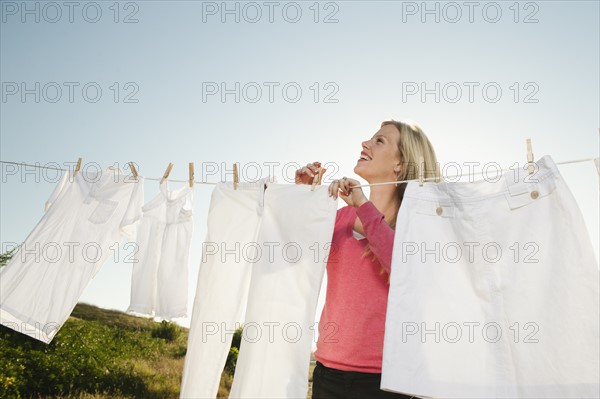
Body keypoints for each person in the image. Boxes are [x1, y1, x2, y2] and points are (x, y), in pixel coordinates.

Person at [295, 120, 440, 399]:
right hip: (327, 375)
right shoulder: (340, 219)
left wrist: (363, 205)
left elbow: (403, 269)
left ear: (400, 164)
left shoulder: (416, 224)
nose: (365, 143)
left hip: (386, 383)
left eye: (379, 141)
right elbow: (294, 255)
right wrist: (304, 197)